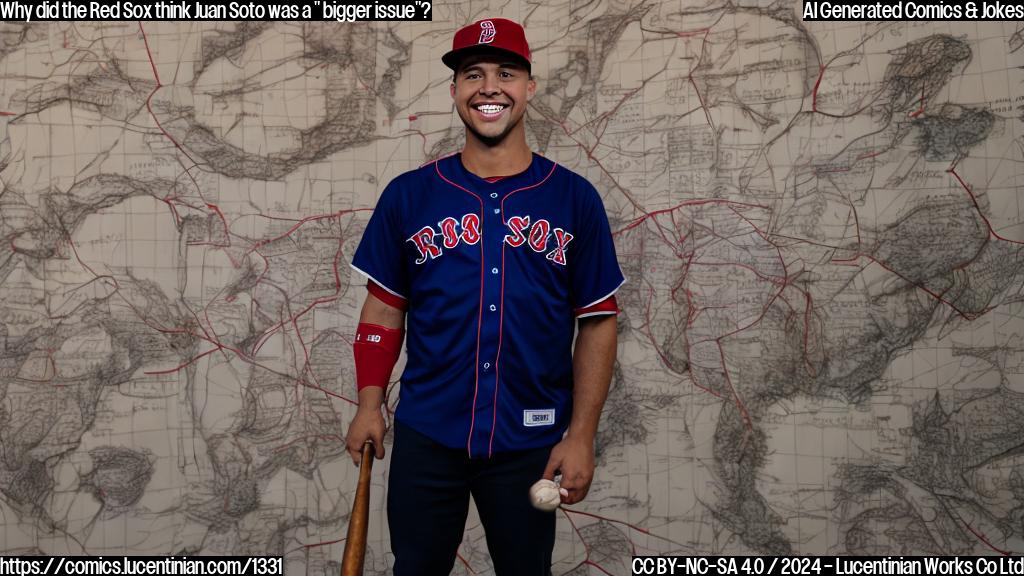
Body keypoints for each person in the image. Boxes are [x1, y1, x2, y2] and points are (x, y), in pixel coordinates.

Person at [345, 17, 624, 575]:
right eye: (473, 74)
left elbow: (597, 321)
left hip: (529, 440)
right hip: (429, 433)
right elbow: (383, 309)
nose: (489, 87)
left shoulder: (574, 199)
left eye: (506, 73)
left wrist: (581, 436)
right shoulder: (409, 195)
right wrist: (369, 404)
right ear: (455, 90)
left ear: (529, 87)